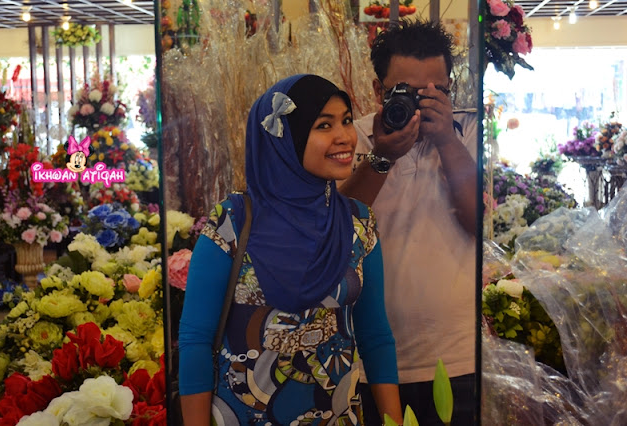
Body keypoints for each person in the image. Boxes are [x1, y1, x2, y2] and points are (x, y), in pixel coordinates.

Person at [178, 74, 403, 426]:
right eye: (324, 125)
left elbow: (375, 337)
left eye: (346, 121)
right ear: (284, 138)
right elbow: (195, 340)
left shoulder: (358, 224)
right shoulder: (232, 223)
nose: (344, 136)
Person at [339, 19, 478, 425]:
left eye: (435, 93)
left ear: (450, 88)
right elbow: (337, 232)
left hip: (457, 357)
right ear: (378, 90)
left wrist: (447, 141)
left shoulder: (470, 132)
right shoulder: (351, 139)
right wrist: (382, 157)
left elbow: (478, 222)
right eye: (407, 93)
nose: (420, 105)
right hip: (367, 362)